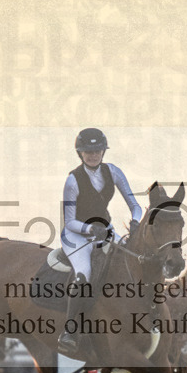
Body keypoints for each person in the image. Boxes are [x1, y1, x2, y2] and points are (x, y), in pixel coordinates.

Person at [57, 127, 143, 356]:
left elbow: (135, 206)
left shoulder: (113, 172)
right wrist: (89, 229)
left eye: (97, 151)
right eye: (88, 151)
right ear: (80, 153)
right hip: (76, 234)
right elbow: (69, 221)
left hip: (104, 230)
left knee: (131, 262)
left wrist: (135, 221)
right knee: (84, 273)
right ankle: (69, 331)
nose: (93, 155)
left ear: (103, 151)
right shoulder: (72, 180)